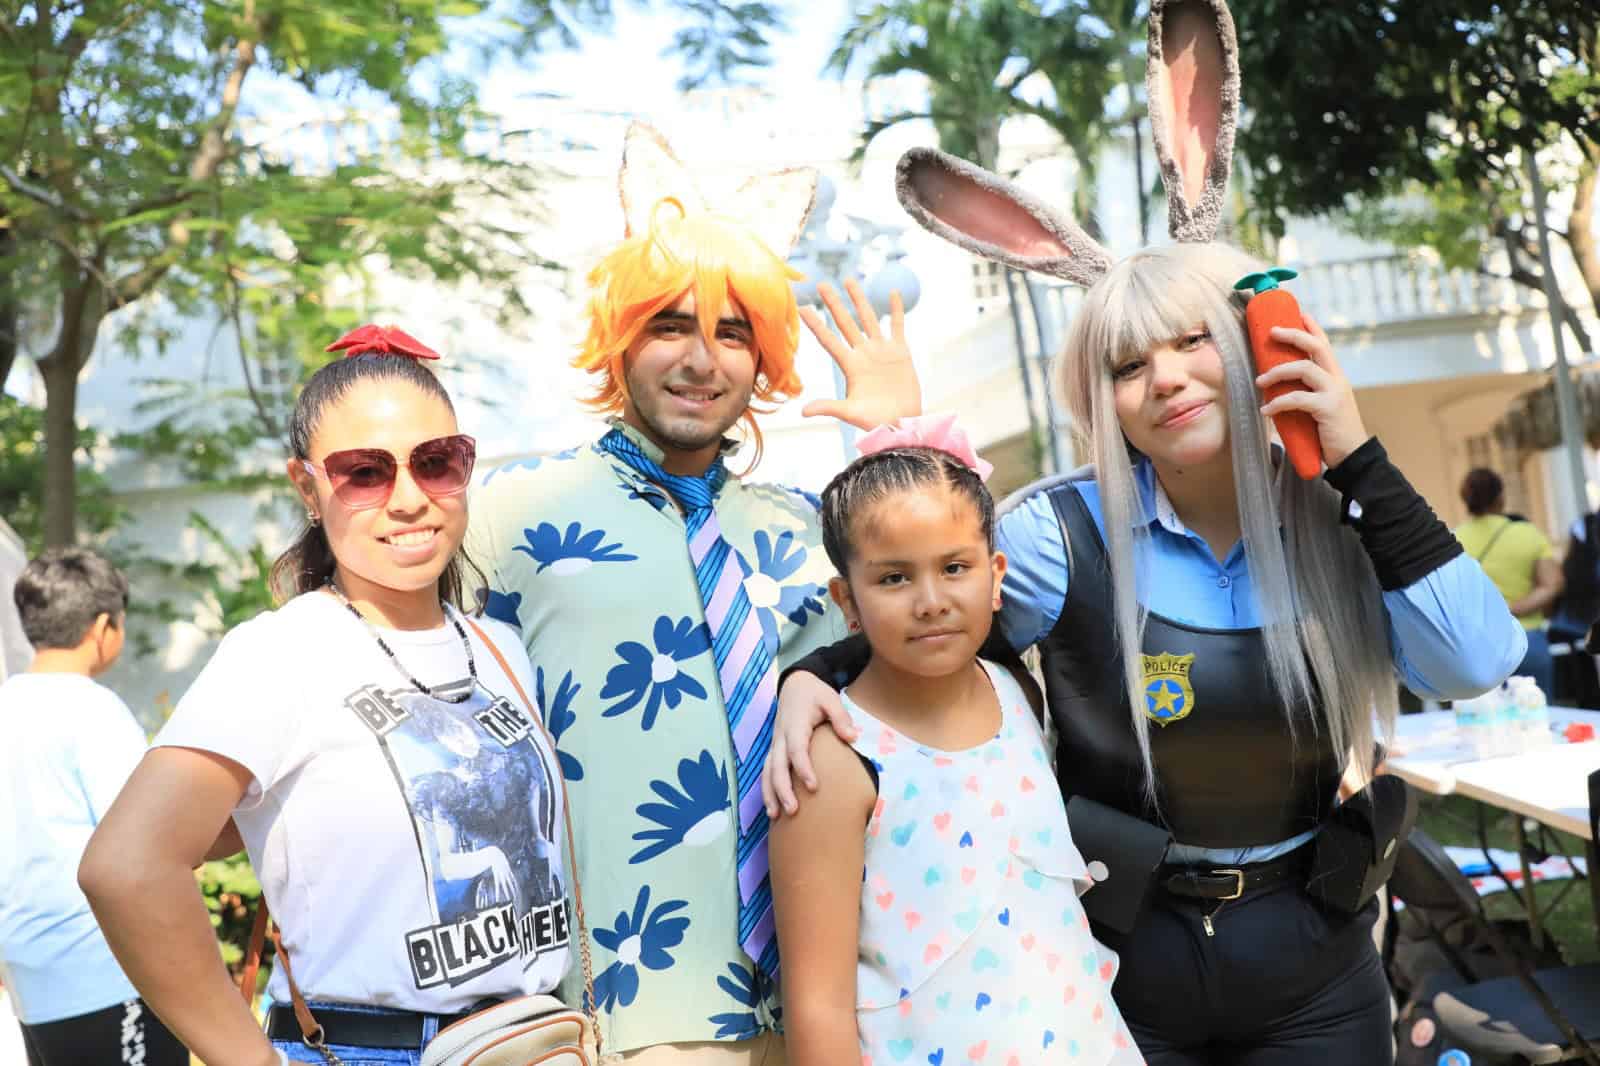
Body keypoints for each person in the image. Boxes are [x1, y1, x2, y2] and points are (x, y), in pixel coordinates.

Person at [766, 242, 1527, 1066]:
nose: (1165, 379)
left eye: (1194, 341)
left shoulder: (1344, 514)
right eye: (1128, 366)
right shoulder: (1055, 535)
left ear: (1253, 347)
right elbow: (929, 626)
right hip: (1123, 966)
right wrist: (819, 673)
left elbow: (1476, 663)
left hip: (1318, 962)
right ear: (1104, 401)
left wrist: (1357, 459)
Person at [465, 122, 919, 1062]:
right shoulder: (507, 516)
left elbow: (950, 636)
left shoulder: (810, 531)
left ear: (764, 360)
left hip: (833, 1010)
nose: (702, 360)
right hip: (628, 1021)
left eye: (732, 332)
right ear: (620, 339)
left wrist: (901, 446)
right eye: (669, 325)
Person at [79, 327, 571, 1066]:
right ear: (308, 489)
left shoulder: (501, 647)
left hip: (532, 1042)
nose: (409, 499)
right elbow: (127, 866)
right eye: (364, 473)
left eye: (436, 462)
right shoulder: (285, 652)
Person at [771, 422, 1142, 1066]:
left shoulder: (1018, 694)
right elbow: (817, 1007)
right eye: (894, 578)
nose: (931, 601)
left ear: (995, 576)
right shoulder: (833, 761)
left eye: (954, 568)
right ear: (847, 600)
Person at [0, 548, 187, 1066]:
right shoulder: (95, 711)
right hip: (107, 974)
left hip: (30, 980)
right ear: (103, 627)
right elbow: (144, 846)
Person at [1452, 467, 1562, 697]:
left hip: (1478, 645)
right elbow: (1553, 584)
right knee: (1535, 711)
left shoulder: (1453, 539)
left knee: (1484, 715)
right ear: (1501, 497)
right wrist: (1512, 608)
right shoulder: (1527, 533)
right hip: (1527, 638)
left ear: (1465, 499)